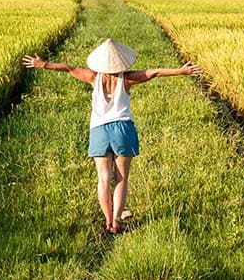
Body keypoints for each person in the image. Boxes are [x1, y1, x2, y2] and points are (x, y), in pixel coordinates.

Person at [23, 38, 202, 234]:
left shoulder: (92, 76)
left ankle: (108, 221)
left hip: (99, 130)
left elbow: (67, 68)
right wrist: (181, 71)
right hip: (123, 128)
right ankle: (117, 221)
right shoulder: (127, 78)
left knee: (103, 178)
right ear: (121, 61)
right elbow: (155, 72)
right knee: (121, 178)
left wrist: (43, 64)